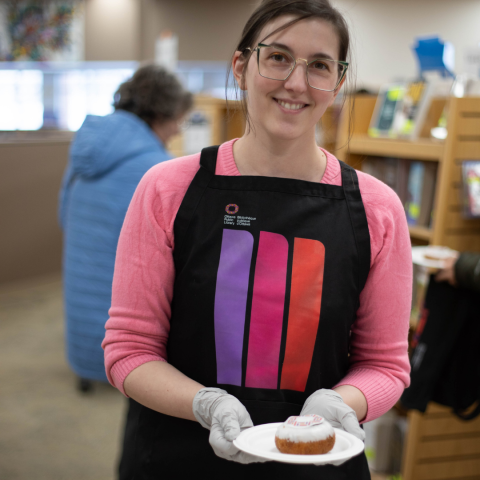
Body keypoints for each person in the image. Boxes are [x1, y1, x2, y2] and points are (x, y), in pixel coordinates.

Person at [102, 1, 412, 478]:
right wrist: (205, 404)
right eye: (278, 57)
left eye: (320, 66)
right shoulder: (167, 189)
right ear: (242, 66)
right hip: (178, 455)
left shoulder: (377, 208)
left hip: (318, 458)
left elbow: (385, 366)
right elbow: (129, 350)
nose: (296, 82)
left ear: (338, 83)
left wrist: (339, 402)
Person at [59, 65, 192, 390]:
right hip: (121, 323)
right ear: (160, 113)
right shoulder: (154, 170)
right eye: (176, 119)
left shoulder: (88, 149)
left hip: (79, 277)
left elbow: (62, 213)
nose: (176, 130)